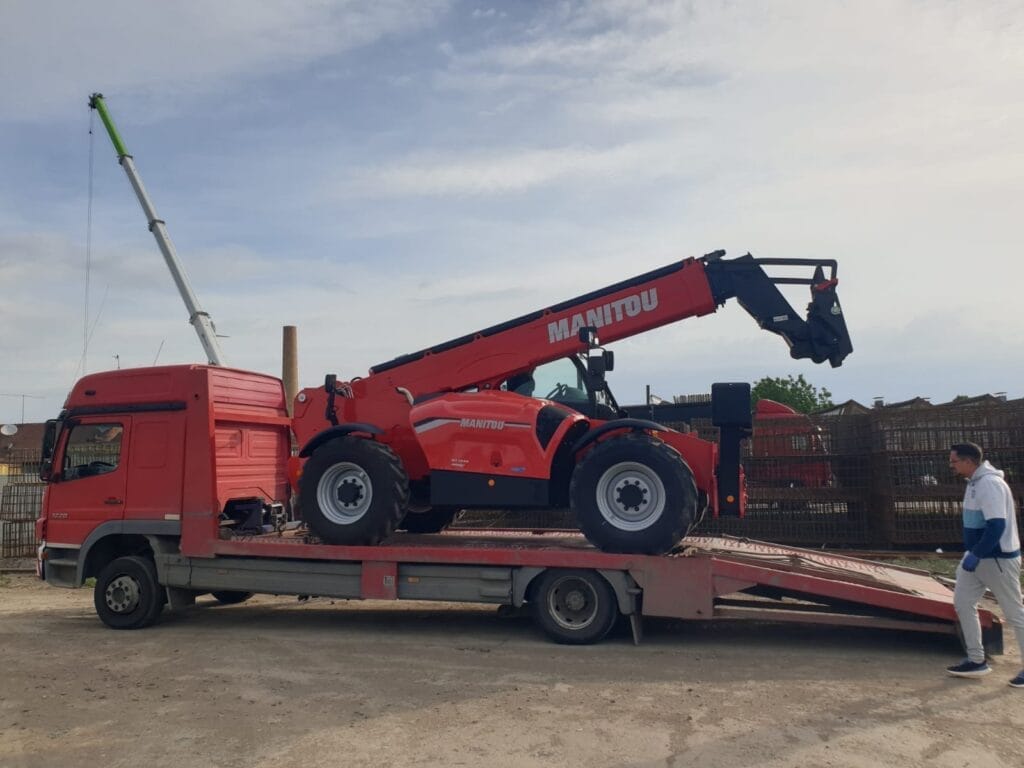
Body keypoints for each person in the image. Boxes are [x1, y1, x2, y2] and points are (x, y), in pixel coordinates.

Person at [945, 442, 1024, 688]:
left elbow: (996, 525)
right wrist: (974, 554)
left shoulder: (989, 484)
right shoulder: (975, 483)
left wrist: (977, 553)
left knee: (1014, 613)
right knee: (963, 603)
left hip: (997, 558)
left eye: (954, 461)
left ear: (969, 461)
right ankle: (976, 659)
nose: (951, 466)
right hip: (977, 558)